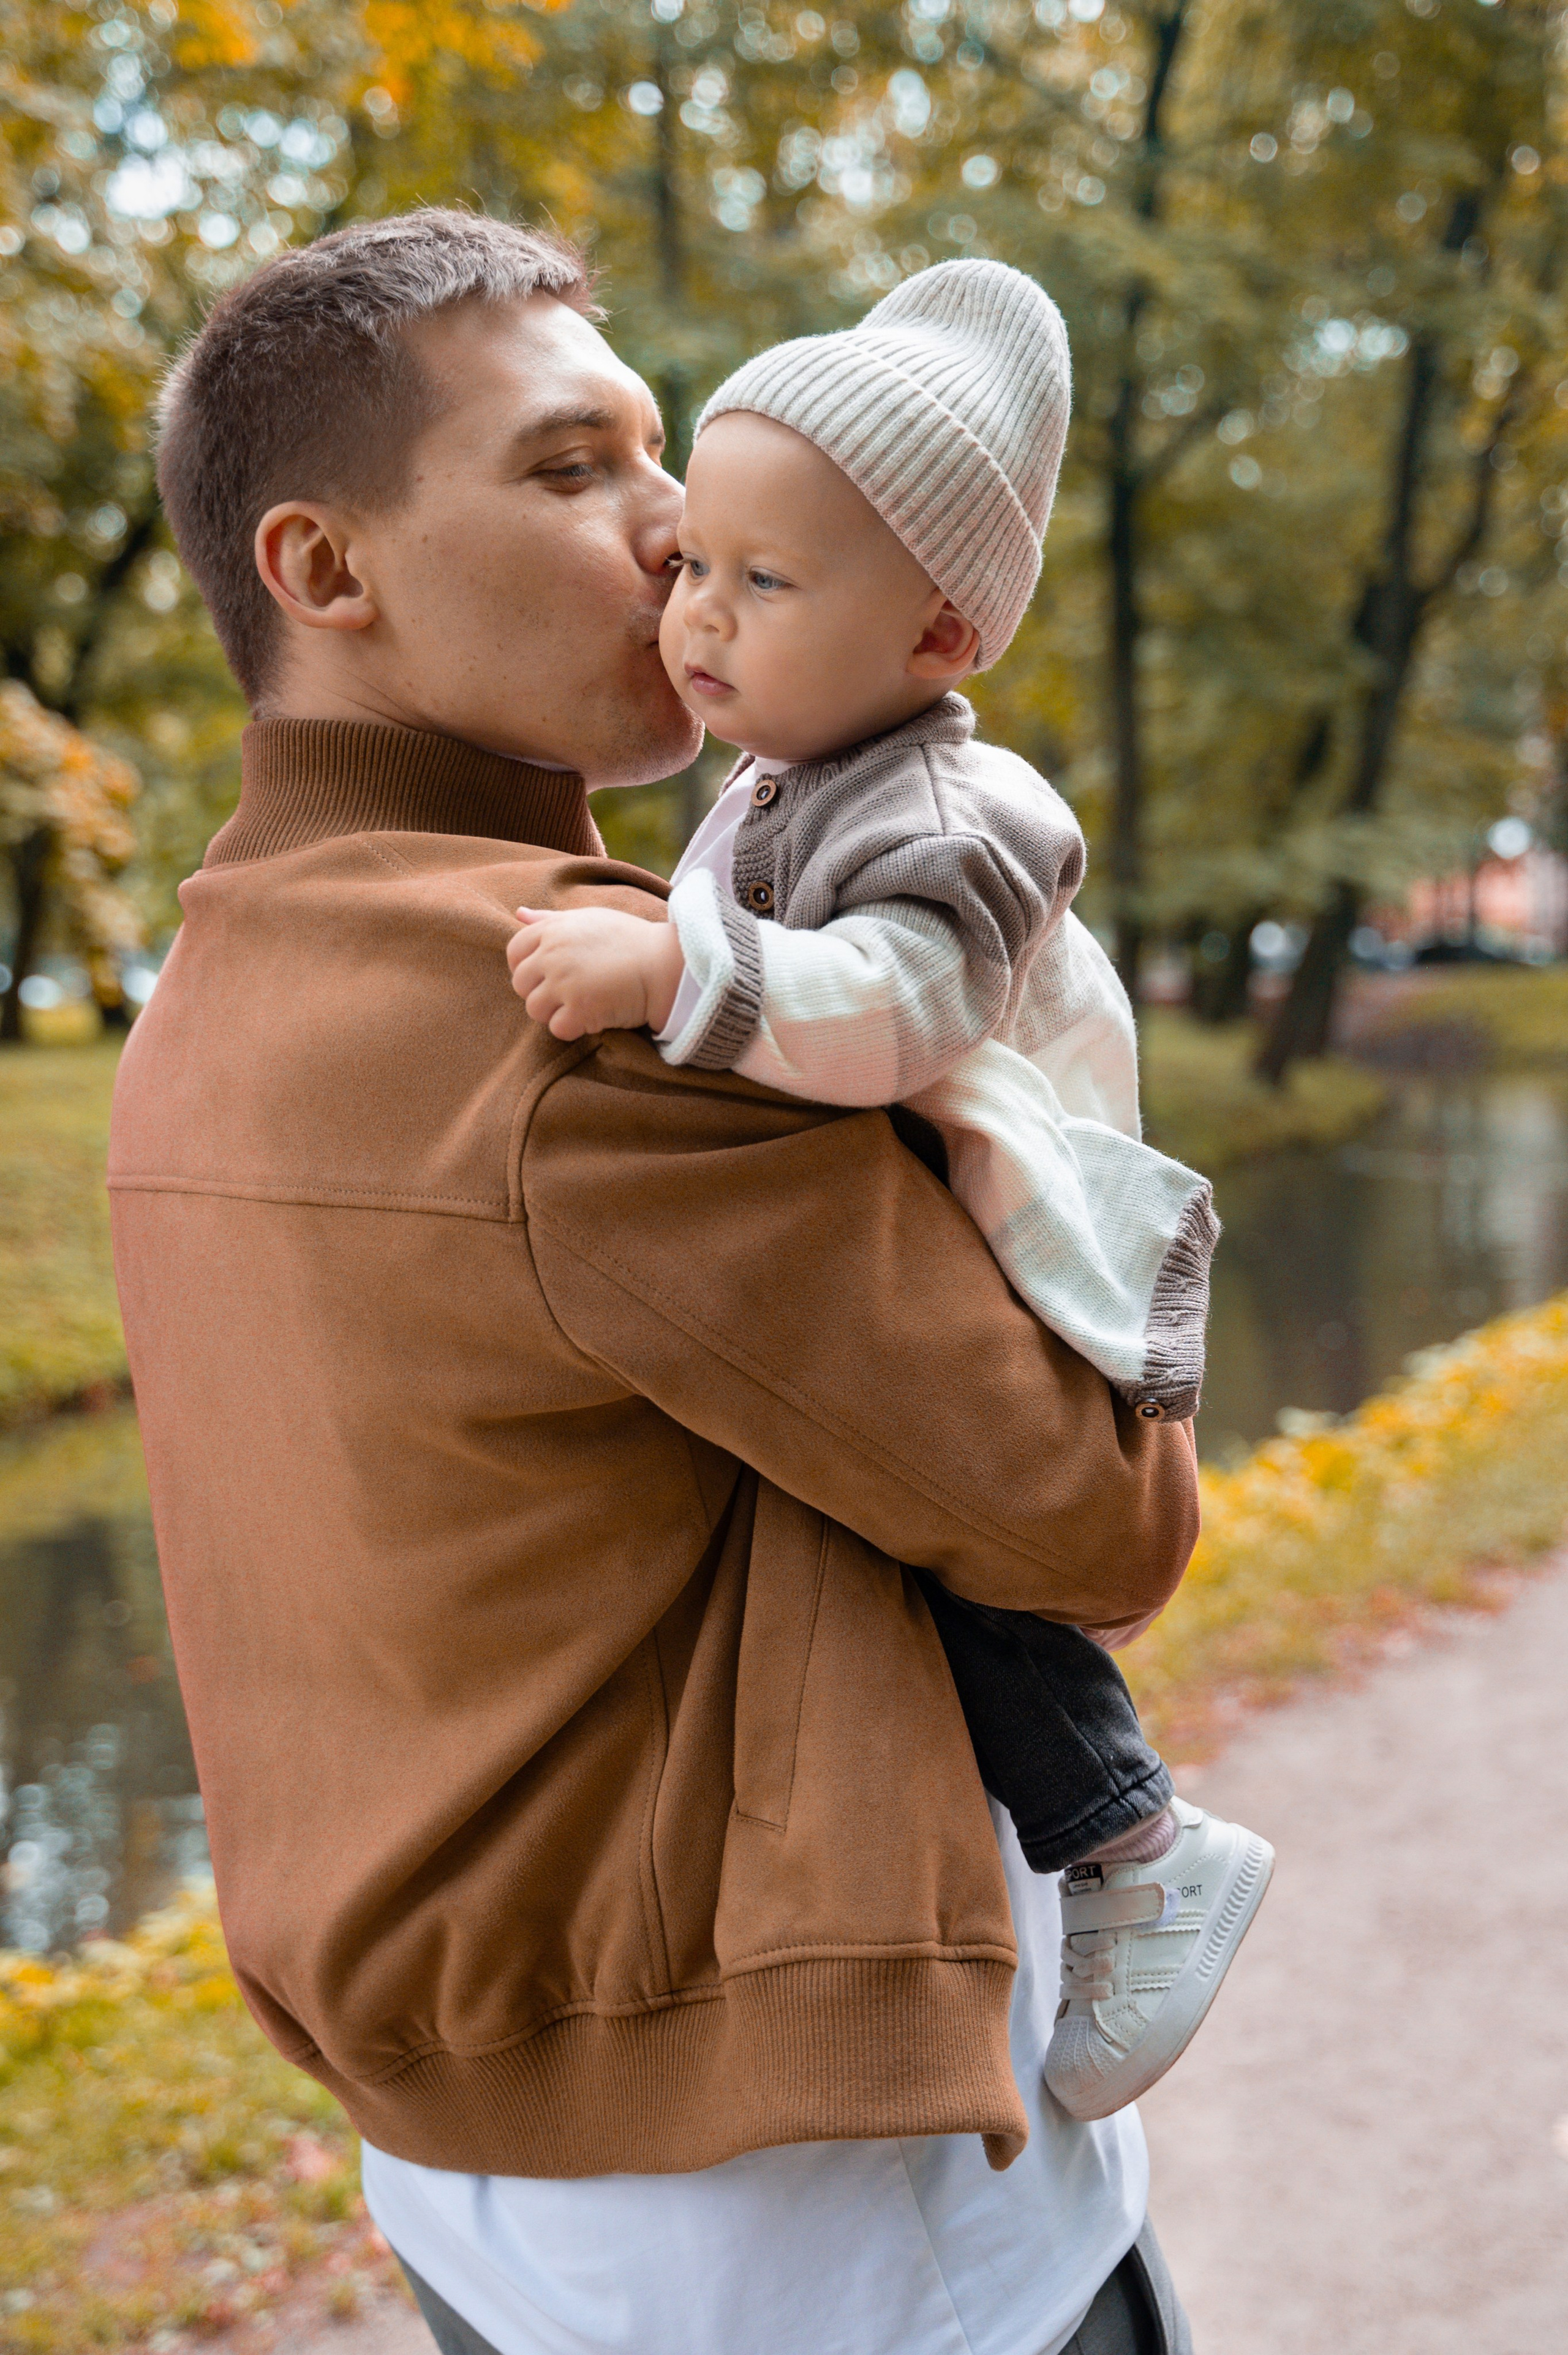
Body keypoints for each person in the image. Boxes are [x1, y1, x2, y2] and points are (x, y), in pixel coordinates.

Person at [111, 208, 1203, 2355]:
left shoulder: (204, 993)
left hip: (484, 2178)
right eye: (568, 466)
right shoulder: (570, 1019)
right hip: (831, 2210)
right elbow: (1100, 1515)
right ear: (324, 568)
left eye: (659, 454)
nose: (673, 523)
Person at [507, 260, 1272, 2125]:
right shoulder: (792, 776)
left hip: (1025, 1239)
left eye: (766, 583)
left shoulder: (954, 811)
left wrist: (675, 975)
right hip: (926, 1214)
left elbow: (893, 1011)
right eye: (697, 563)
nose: (698, 612)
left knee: (953, 1546)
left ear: (939, 632)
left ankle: (1136, 1840)